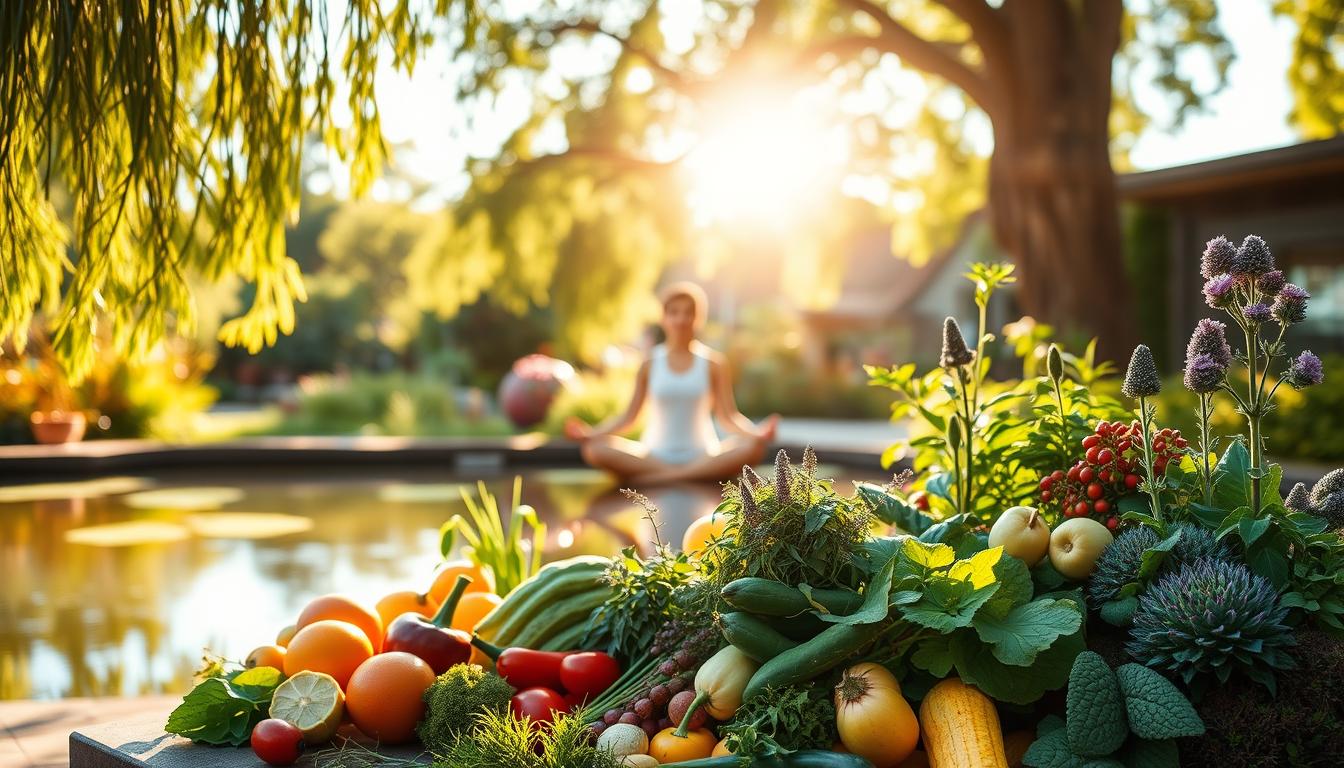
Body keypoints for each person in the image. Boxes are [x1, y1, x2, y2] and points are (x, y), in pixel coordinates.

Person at [564, 282, 779, 484]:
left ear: (698, 318)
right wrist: (591, 434)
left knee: (753, 447)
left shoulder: (714, 363)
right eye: (674, 312)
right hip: (654, 456)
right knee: (594, 448)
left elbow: (728, 416)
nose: (681, 319)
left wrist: (757, 434)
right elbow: (629, 417)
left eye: (688, 313)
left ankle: (662, 479)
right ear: (664, 318)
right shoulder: (649, 363)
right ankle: (687, 477)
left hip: (703, 456)